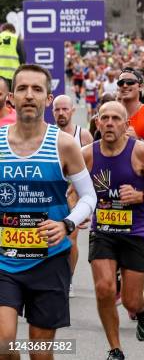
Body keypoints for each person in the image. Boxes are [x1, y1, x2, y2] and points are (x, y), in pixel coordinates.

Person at [0, 64, 96, 360]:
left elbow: (89, 197)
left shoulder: (64, 144)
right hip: (5, 260)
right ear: (11, 98)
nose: (29, 95)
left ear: (49, 98)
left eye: (37, 89)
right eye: (22, 89)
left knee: (39, 353)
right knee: (4, 344)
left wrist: (66, 224)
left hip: (50, 260)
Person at [83, 101, 144, 360]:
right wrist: (75, 210)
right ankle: (115, 349)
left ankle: (143, 308)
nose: (109, 123)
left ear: (126, 124)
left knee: (131, 302)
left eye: (115, 118)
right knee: (104, 288)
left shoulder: (140, 151)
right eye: (105, 118)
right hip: (103, 231)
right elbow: (72, 186)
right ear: (97, 123)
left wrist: (141, 195)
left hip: (135, 231)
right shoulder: (86, 153)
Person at [52, 94, 94, 297]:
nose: (61, 113)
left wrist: (87, 199)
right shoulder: (48, 135)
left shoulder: (83, 136)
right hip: (52, 193)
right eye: (57, 110)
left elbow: (93, 167)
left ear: (72, 111)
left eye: (64, 109)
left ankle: (68, 278)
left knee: (71, 239)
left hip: (74, 194)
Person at [0, 23, 25, 88]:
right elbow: (22, 57)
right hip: (12, 76)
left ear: (2, 30)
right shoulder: (16, 38)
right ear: (13, 30)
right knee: (11, 96)